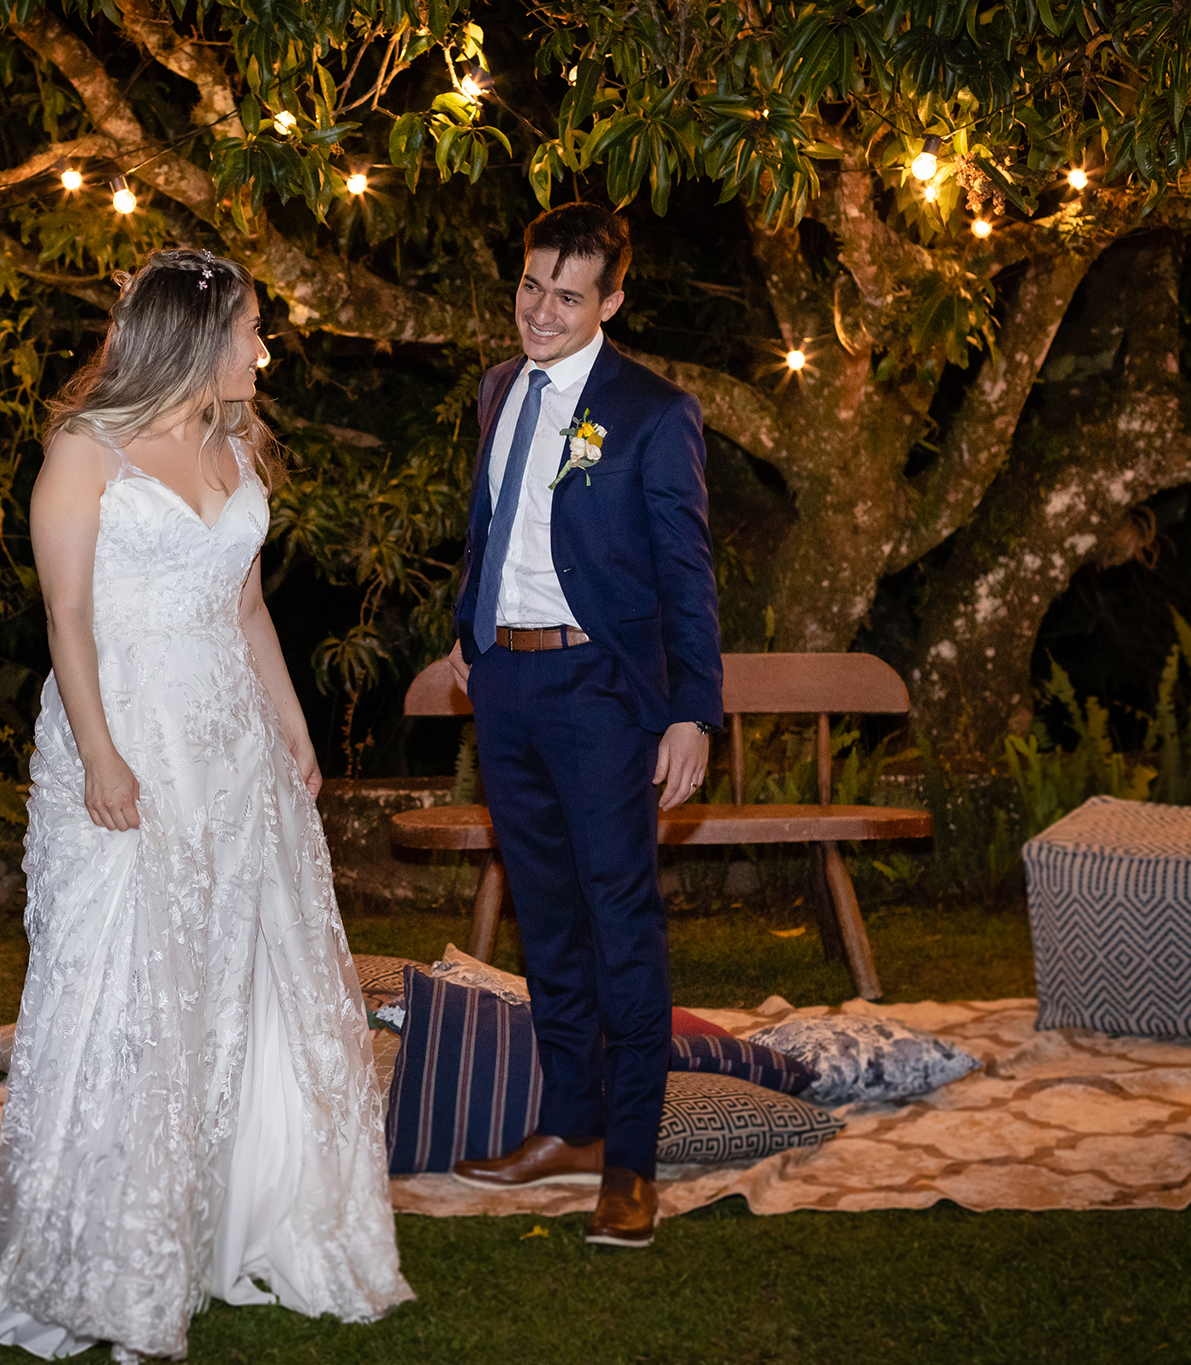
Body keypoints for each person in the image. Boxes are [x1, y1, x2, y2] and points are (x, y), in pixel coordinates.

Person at [0, 248, 413, 1361]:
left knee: (235, 978)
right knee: (126, 990)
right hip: (126, 738)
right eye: (250, 329)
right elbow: (66, 621)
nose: (263, 349)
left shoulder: (237, 448)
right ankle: (109, 1254)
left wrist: (288, 722)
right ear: (196, 337)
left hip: (228, 749)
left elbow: (243, 611)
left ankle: (239, 1219)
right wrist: (99, 757)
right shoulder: (82, 453)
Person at [443, 203, 723, 1248]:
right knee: (546, 921)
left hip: (603, 694)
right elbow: (489, 525)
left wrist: (692, 710)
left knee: (619, 926)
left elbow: (686, 575)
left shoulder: (652, 412)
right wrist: (467, 635)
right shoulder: (494, 391)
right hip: (506, 692)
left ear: (610, 300)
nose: (540, 312)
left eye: (567, 295)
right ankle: (568, 1123)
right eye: (529, 287)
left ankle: (631, 1162)